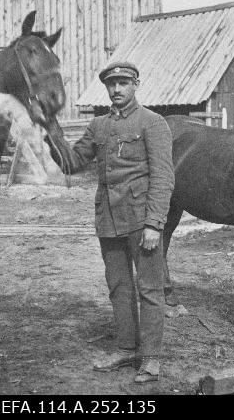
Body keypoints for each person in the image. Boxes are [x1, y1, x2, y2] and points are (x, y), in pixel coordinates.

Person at [47, 61, 174, 384]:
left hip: (140, 220)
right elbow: (72, 163)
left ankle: (151, 358)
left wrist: (154, 224)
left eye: (123, 83)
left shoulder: (153, 123)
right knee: (118, 288)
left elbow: (163, 177)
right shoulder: (99, 127)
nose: (117, 89)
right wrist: (51, 135)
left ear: (136, 85)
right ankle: (126, 347)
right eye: (112, 84)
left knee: (149, 289)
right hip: (108, 220)